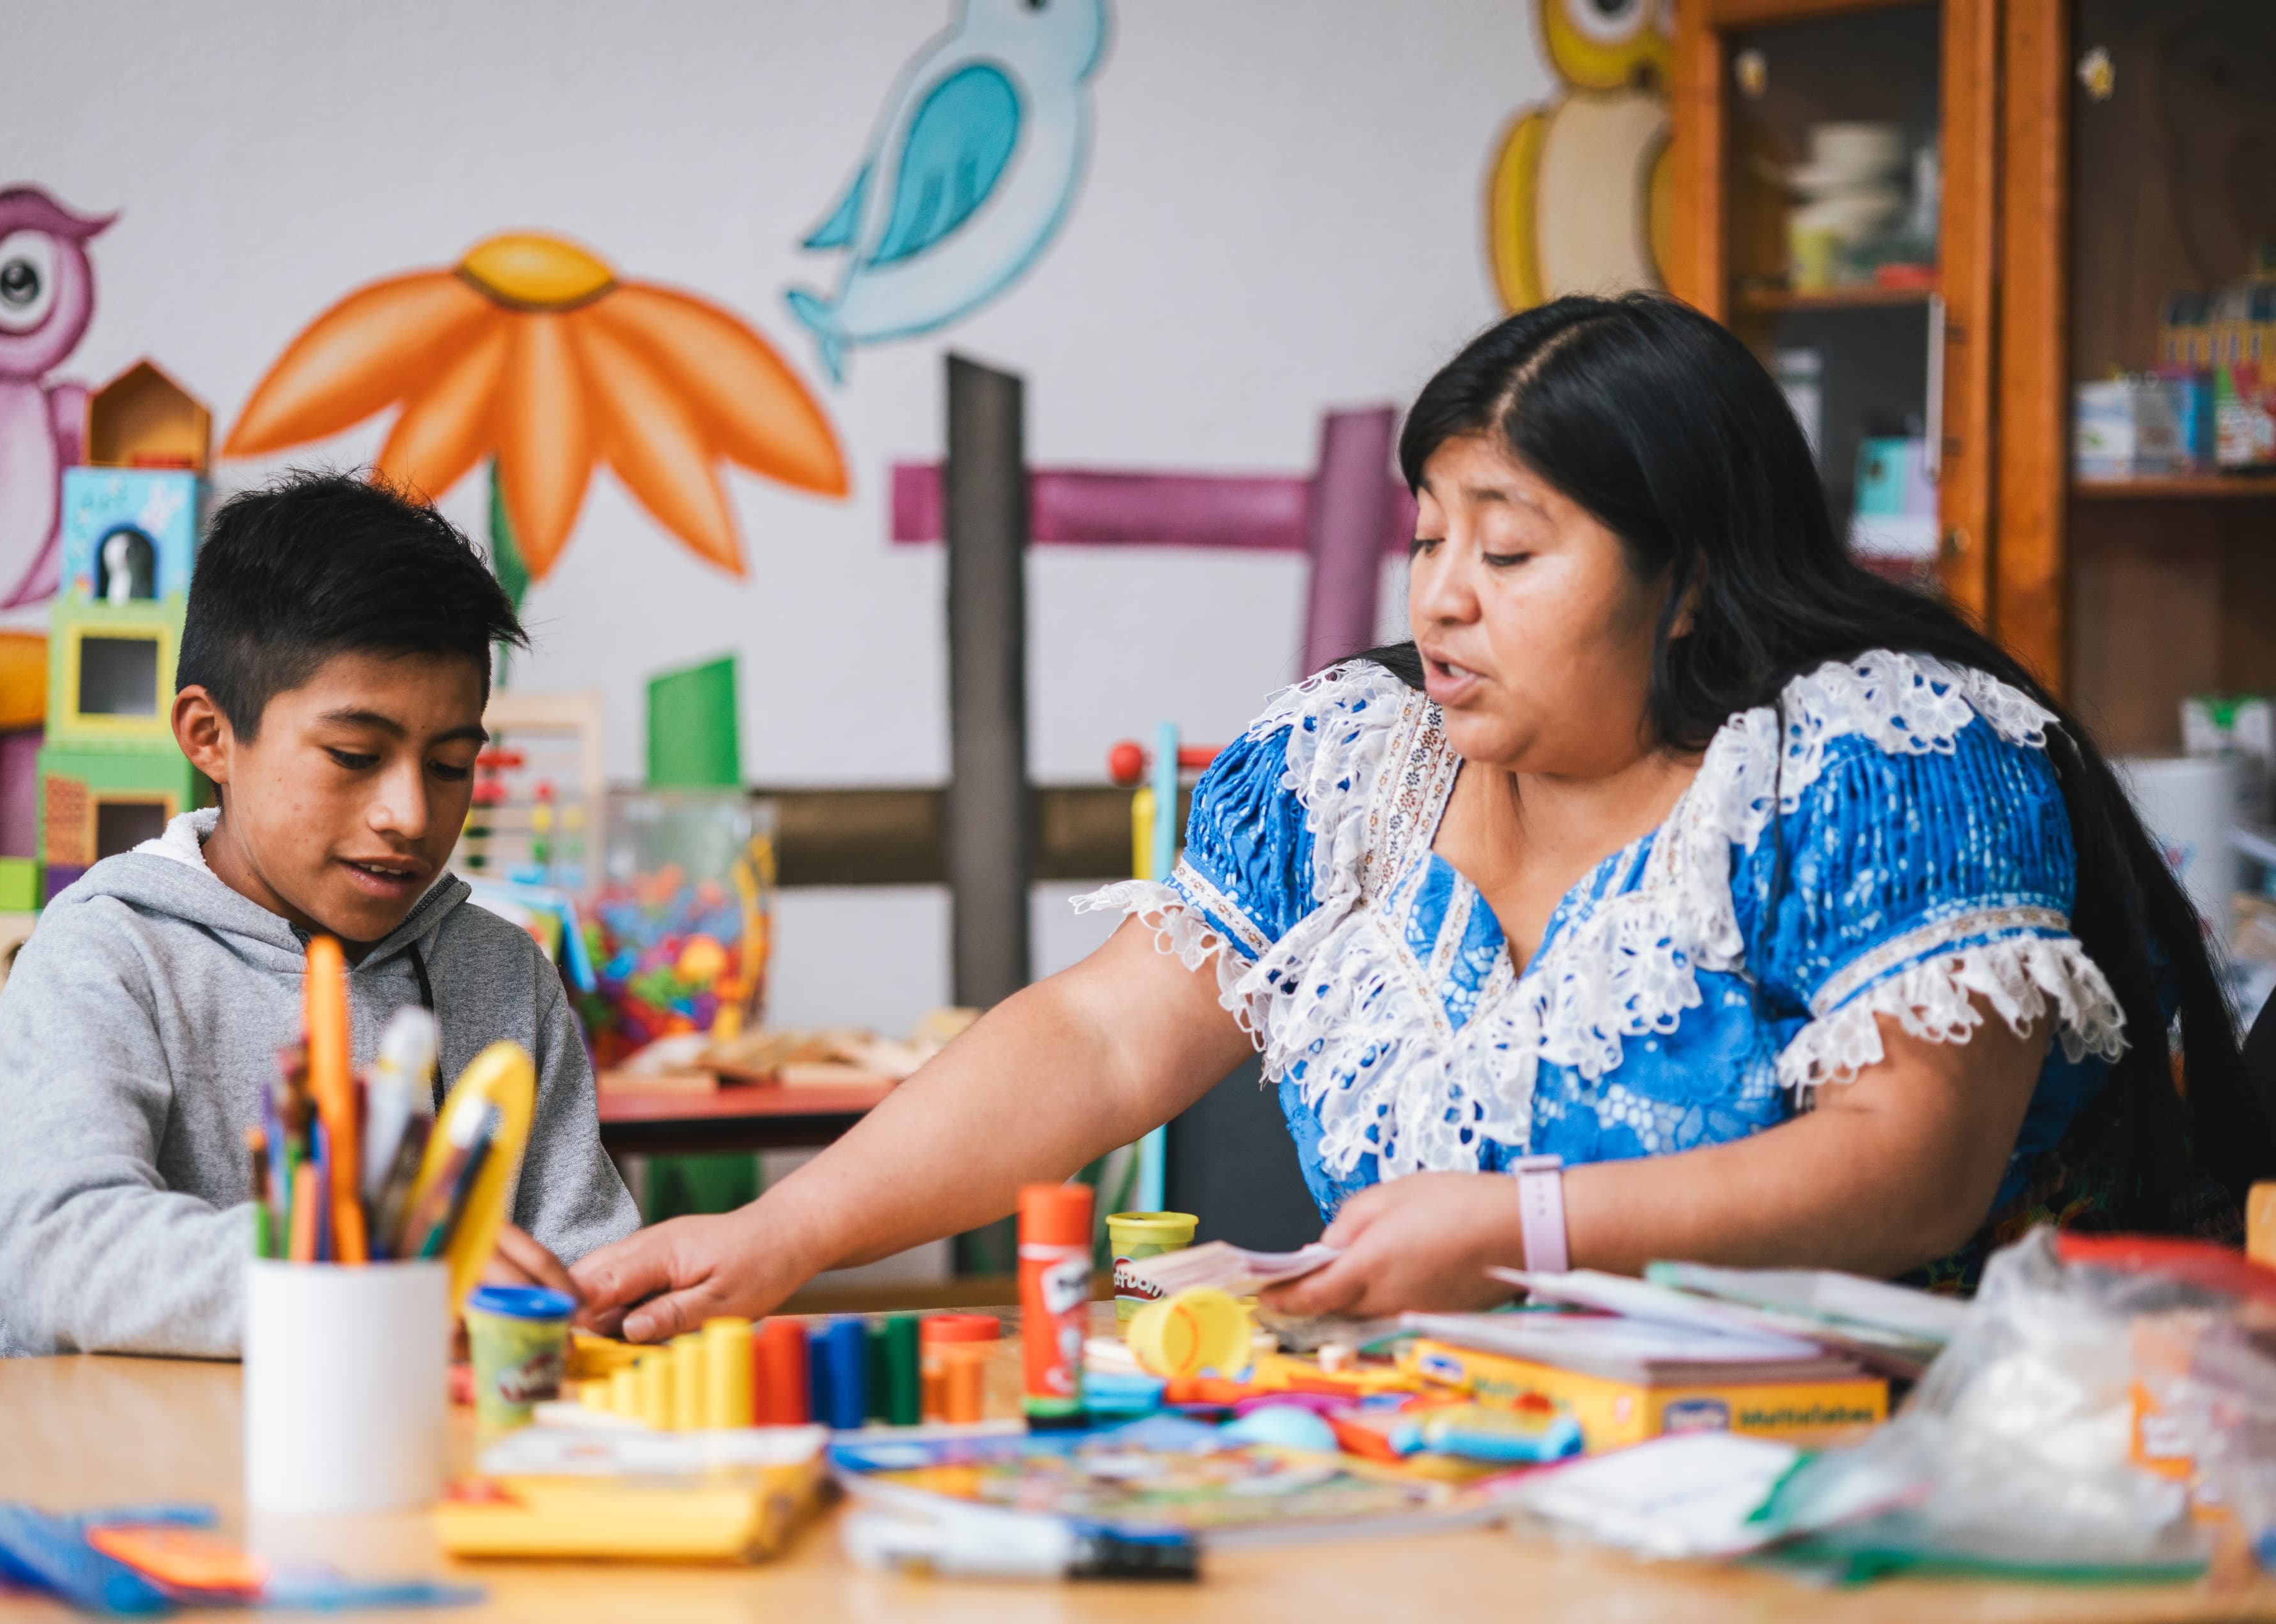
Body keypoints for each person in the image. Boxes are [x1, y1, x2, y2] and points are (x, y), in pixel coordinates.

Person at [572, 294, 2271, 1340]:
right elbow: (1099, 1045)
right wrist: (777, 1235)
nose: (1444, 600)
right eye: (1427, 537)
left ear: (1687, 580)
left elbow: (1906, 1171)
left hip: (1871, 1509)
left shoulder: (1880, 760)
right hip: (1453, 1471)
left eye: (1511, 550)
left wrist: (1520, 1229)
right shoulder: (1351, 766)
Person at [0, 472, 636, 1357]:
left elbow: (584, 1268)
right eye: (355, 755)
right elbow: (59, 1249)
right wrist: (367, 1275)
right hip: (130, 1474)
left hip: (431, 1473)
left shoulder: (502, 974)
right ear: (211, 737)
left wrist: (606, 1300)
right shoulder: (108, 951)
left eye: (449, 765)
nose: (408, 812)